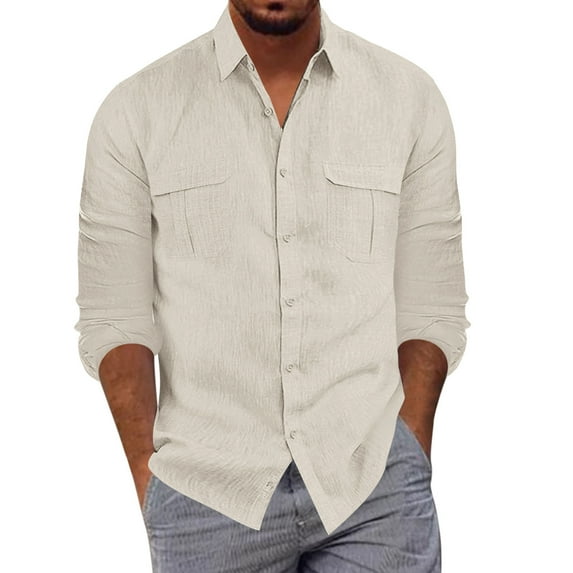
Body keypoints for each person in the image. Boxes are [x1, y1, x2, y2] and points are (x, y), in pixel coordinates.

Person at [74, 1, 470, 571]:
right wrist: (152, 480)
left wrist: (410, 444)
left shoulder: (408, 99)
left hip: (373, 487)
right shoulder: (136, 112)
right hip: (207, 495)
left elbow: (431, 304)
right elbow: (115, 319)